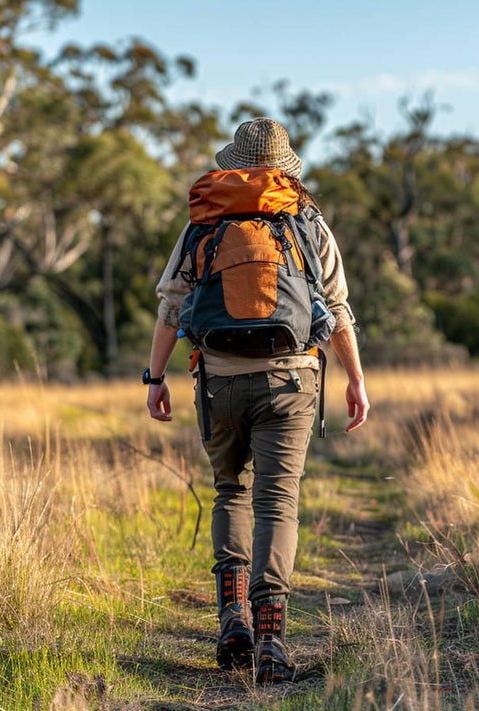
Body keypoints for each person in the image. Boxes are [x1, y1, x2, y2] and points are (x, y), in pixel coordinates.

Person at [143, 117, 369, 684]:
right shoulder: (306, 221)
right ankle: (271, 634)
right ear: (283, 166)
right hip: (292, 381)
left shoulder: (204, 223)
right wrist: (354, 379)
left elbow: (172, 305)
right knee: (277, 501)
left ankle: (231, 619)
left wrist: (154, 377)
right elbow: (336, 309)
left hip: (217, 379)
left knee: (229, 491)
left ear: (234, 163)